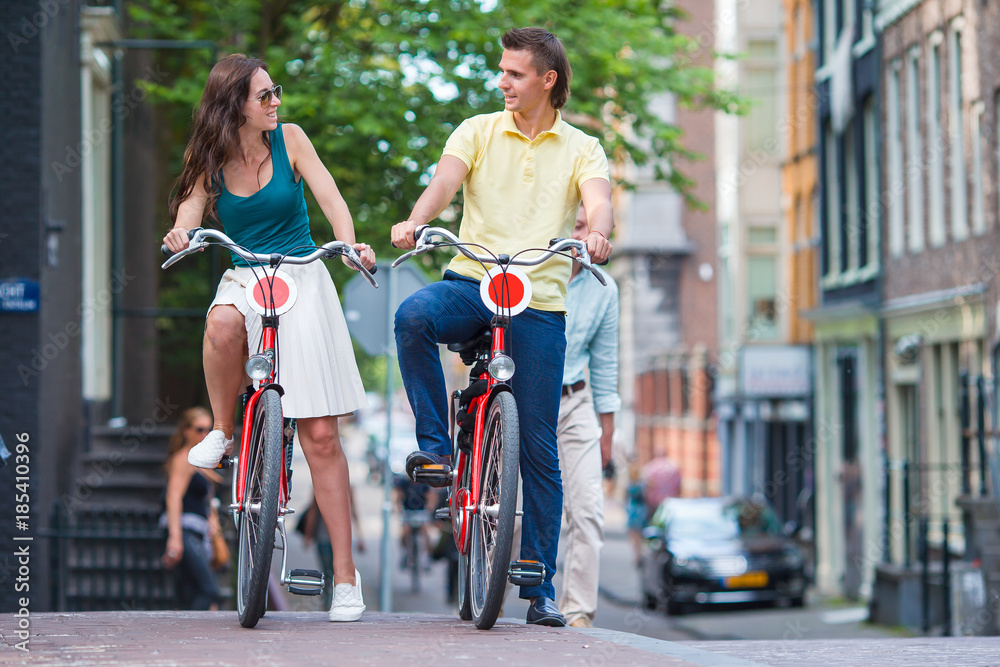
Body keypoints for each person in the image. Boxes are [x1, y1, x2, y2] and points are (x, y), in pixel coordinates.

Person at [391, 27, 614, 627]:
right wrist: (415, 221)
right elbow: (444, 182)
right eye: (501, 72)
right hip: (473, 280)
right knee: (412, 316)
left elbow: (598, 202)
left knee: (540, 450)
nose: (503, 82)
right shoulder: (479, 129)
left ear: (549, 80)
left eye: (515, 74)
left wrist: (595, 231)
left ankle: (538, 585)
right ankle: (437, 449)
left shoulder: (582, 148)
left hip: (537, 301)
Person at [162, 54, 376, 622]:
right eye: (265, 95)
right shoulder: (209, 158)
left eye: (275, 91)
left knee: (322, 437)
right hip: (247, 271)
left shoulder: (293, 140)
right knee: (220, 323)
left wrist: (350, 244)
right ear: (235, 105)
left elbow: (330, 199)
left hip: (302, 272)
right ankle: (226, 432)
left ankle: (346, 578)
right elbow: (189, 206)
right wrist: (183, 231)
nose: (275, 101)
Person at [555, 205, 621, 628]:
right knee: (512, 516)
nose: (579, 237)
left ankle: (577, 616)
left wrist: (606, 437)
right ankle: (494, 605)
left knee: (589, 512)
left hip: (575, 401)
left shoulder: (604, 289)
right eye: (573, 227)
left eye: (586, 229)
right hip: (522, 398)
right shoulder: (528, 273)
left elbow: (606, 367)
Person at [161, 407, 223, 610]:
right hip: (185, 531)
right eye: (199, 429)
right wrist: (175, 538)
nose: (204, 434)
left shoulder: (200, 460)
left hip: (198, 532)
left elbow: (207, 499)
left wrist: (212, 520)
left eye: (209, 430)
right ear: (186, 431)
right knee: (208, 590)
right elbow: (173, 497)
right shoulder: (183, 458)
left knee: (192, 590)